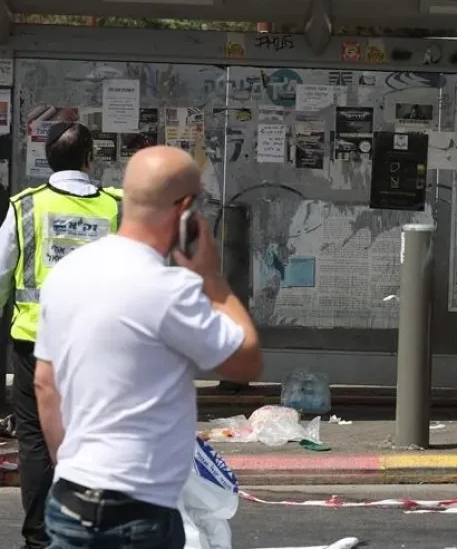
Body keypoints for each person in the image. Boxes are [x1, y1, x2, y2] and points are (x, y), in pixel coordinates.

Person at [33, 145, 262, 548]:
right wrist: (211, 278)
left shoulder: (67, 273)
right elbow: (245, 362)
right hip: (139, 507)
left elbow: (45, 385)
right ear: (187, 208)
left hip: (70, 494)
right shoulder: (171, 290)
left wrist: (69, 465)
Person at [0, 121, 121, 549]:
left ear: (47, 158)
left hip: (36, 344)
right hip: (100, 346)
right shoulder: (117, 207)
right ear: (90, 159)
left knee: (35, 442)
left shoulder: (25, 206)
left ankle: (39, 538)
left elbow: (0, 273)